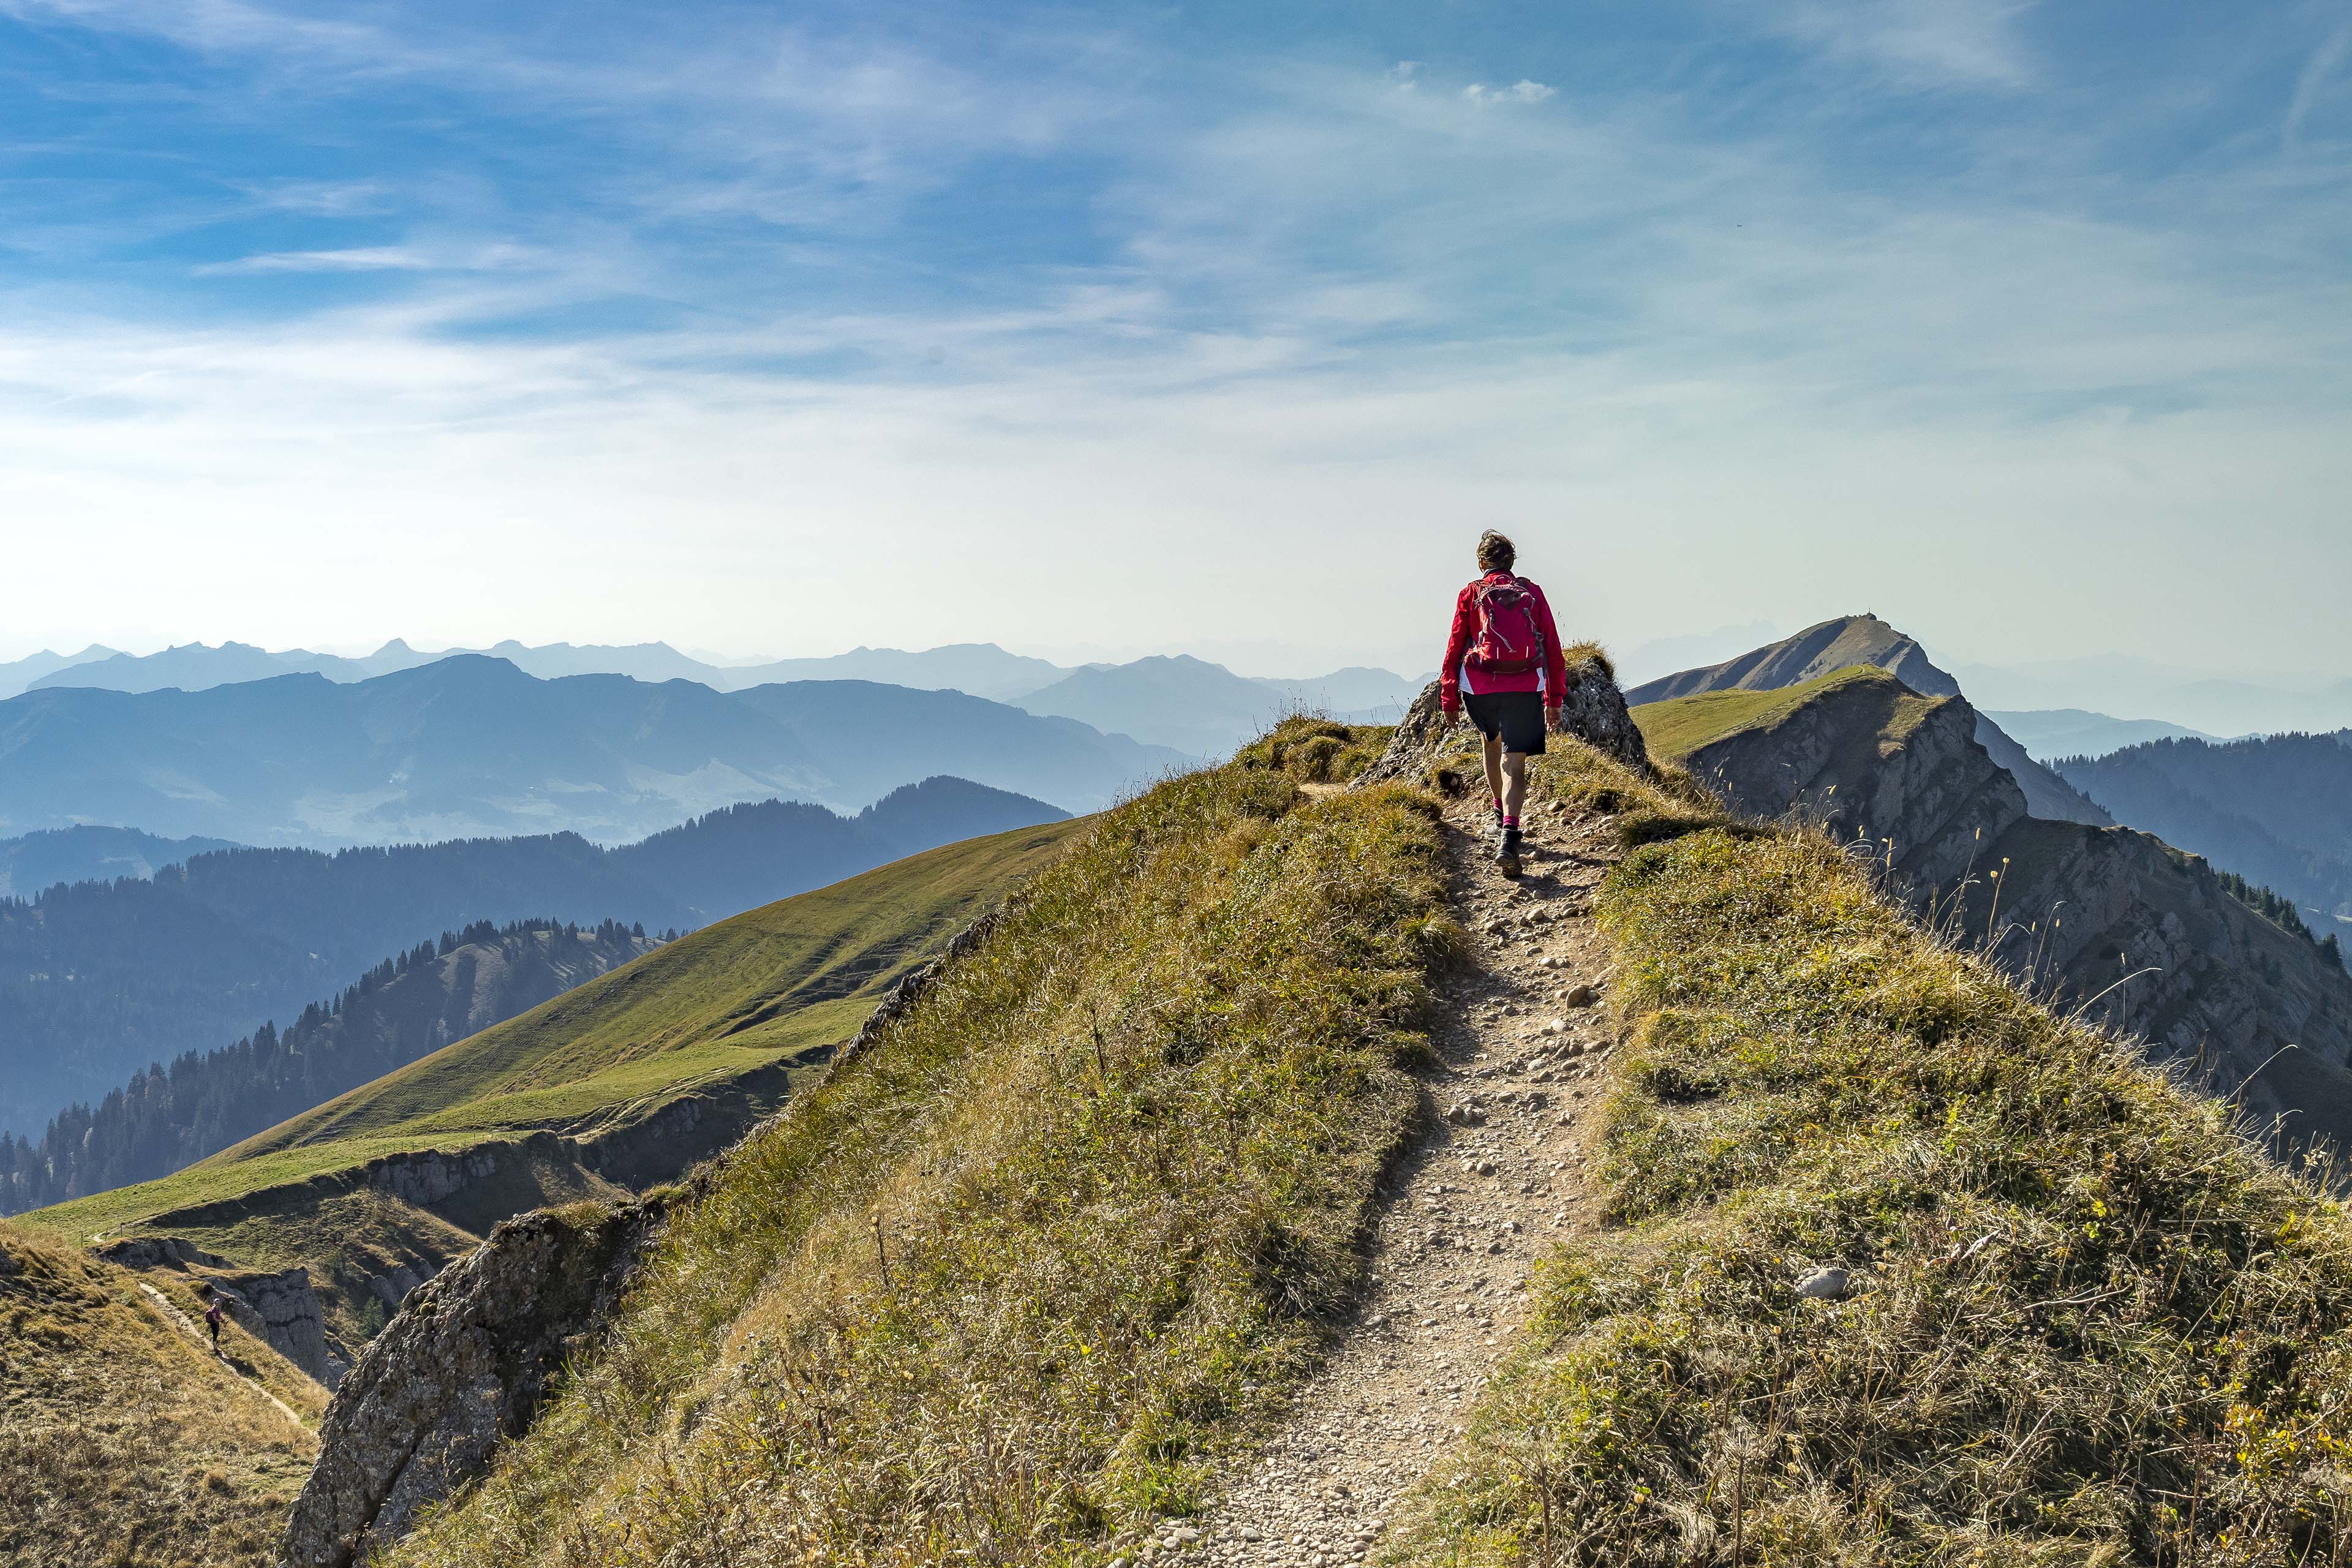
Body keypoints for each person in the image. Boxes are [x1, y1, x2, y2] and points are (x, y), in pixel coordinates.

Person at [1439, 530, 1566, 878]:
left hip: (1479, 688)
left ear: (1482, 563)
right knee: (1516, 762)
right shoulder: (1532, 593)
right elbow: (1553, 648)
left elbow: (1454, 647)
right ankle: (1510, 835)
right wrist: (1554, 700)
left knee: (1490, 743)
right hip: (1525, 685)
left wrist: (1449, 695)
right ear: (1512, 563)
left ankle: (1498, 811)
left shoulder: (1471, 593)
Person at [201, 1284, 224, 1352]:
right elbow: (214, 1318)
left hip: (216, 1323)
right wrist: (220, 1321)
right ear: (215, 1303)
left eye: (219, 1303)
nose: (218, 1304)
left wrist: (222, 1319)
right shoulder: (213, 1310)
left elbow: (219, 1315)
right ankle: (215, 1348)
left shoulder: (217, 1309)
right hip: (214, 1323)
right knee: (215, 1335)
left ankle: (215, 1345)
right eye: (217, 1303)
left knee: (216, 1334)